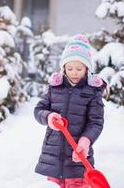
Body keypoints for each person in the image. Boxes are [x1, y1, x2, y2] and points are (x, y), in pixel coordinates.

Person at [33, 34, 107, 188]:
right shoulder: (55, 89)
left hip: (78, 158)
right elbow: (39, 110)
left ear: (87, 68)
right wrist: (49, 117)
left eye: (79, 68)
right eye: (70, 68)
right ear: (63, 68)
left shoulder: (92, 92)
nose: (74, 72)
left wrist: (85, 142)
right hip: (54, 159)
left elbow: (96, 123)